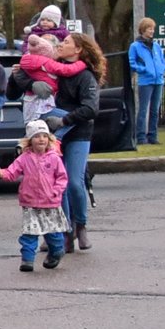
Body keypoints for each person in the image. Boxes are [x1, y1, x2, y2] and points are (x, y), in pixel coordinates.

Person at [49, 33, 106, 252]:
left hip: (79, 132)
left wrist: (65, 119)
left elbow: (91, 108)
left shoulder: (85, 77)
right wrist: (19, 78)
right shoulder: (55, 70)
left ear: (78, 50)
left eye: (66, 43)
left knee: (74, 181)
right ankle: (65, 231)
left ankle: (81, 225)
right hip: (56, 134)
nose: (61, 45)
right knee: (58, 186)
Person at [0, 121, 71, 271]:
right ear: (29, 140)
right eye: (37, 136)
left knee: (53, 233)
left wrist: (55, 191)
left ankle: (56, 252)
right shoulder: (24, 158)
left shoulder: (54, 158)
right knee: (30, 233)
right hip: (30, 203)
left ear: (49, 139)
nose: (41, 139)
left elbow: (62, 178)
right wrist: (1, 173)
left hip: (50, 203)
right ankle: (27, 260)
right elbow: (12, 172)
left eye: (44, 136)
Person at [128, 17, 165, 146]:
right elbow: (132, 63)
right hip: (145, 81)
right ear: (143, 30)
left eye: (153, 29)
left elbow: (162, 61)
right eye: (149, 28)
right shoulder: (135, 46)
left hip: (158, 80)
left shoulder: (156, 46)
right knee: (143, 109)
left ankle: (153, 135)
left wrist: (162, 69)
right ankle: (140, 136)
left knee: (155, 110)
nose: (152, 31)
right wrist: (144, 69)